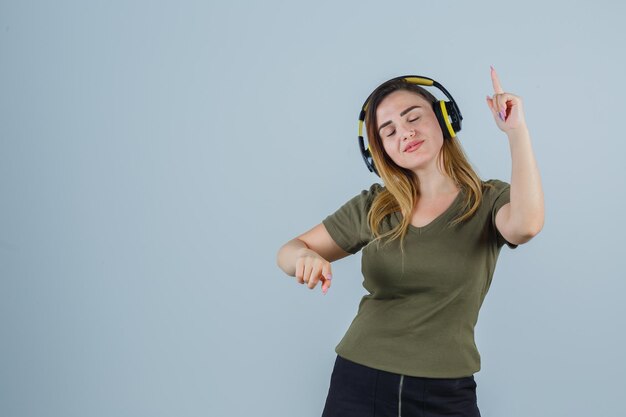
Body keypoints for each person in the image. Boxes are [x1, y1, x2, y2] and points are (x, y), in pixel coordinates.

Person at [276, 67, 544, 417]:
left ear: (444, 119)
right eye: (389, 132)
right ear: (381, 151)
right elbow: (289, 250)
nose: (406, 133)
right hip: (359, 380)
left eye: (413, 117)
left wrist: (516, 133)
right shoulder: (374, 205)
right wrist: (302, 258)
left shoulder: (489, 200)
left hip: (446, 391)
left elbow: (526, 225)